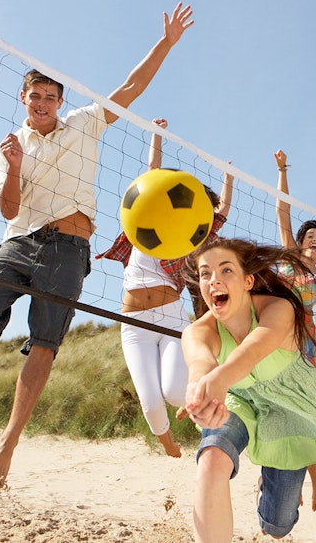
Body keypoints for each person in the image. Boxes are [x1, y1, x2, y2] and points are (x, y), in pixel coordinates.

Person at [0, 4, 195, 484]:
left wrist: (166, 44)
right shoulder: (10, 146)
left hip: (69, 247)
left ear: (60, 101)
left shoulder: (85, 124)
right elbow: (7, 209)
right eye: (35, 95)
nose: (42, 102)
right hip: (19, 239)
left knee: (43, 345)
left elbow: (130, 88)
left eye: (50, 96)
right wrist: (17, 166)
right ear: (23, 97)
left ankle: (5, 450)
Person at [180, 238, 316, 543]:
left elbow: (252, 351)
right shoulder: (197, 331)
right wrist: (199, 390)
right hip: (240, 397)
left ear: (248, 281)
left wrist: (218, 380)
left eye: (225, 270)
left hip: (289, 406)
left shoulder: (279, 308)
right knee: (211, 460)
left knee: (276, 526)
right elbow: (199, 362)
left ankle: (268, 493)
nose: (213, 280)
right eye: (205, 273)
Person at [96, 118, 233, 458]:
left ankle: (214, 429)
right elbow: (151, 174)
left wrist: (229, 179)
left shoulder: (188, 241)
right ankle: (167, 442)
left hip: (172, 318)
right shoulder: (142, 223)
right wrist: (156, 135)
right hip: (136, 324)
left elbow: (220, 214)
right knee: (151, 400)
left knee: (175, 393)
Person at [273, 148, 316, 511]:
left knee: (302, 411)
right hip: (273, 340)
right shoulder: (286, 257)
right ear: (300, 241)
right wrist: (283, 169)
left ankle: (311, 473)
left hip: (306, 347)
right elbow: (283, 208)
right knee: (273, 409)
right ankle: (282, 478)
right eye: (310, 235)